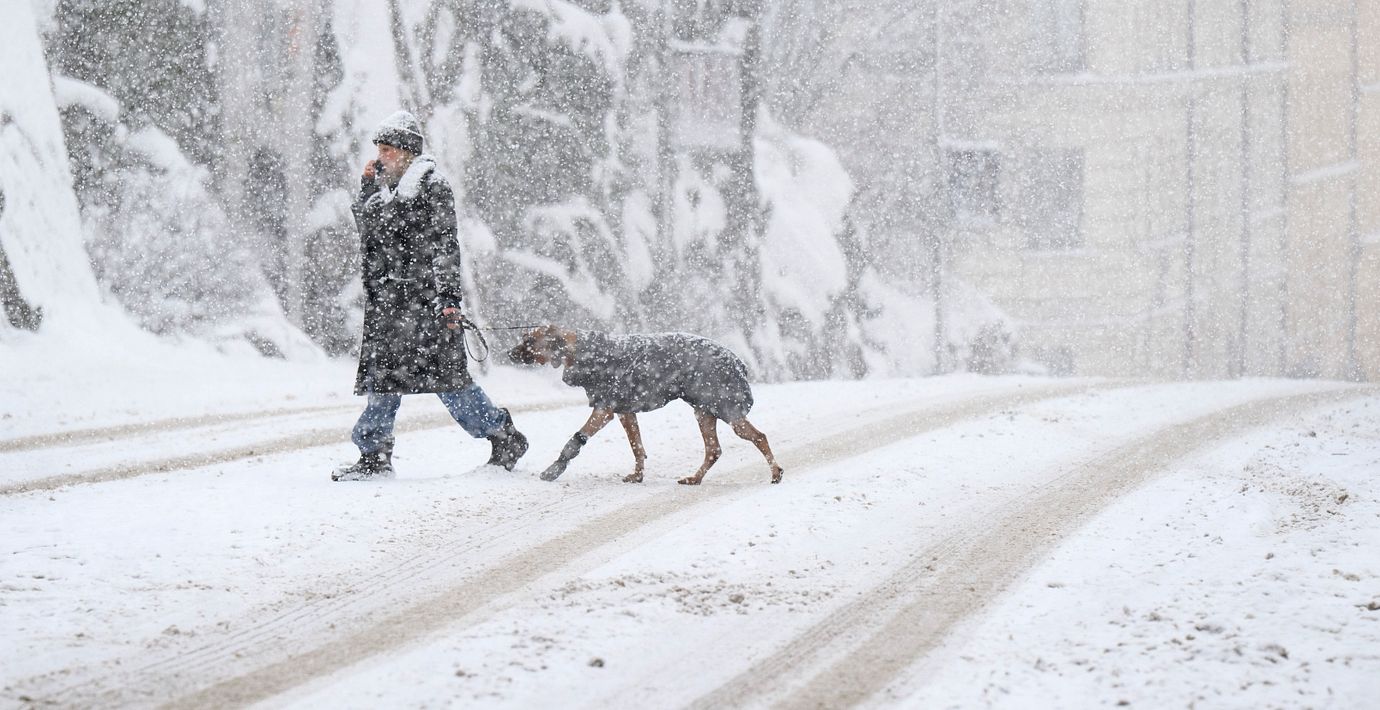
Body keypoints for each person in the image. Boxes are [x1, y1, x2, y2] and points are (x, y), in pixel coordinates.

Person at [333, 111, 527, 481]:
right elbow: (371, 238)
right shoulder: (383, 189)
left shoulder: (432, 185)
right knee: (383, 383)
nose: (379, 156)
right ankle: (374, 455)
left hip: (426, 306)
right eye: (378, 149)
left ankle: (503, 435)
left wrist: (449, 298)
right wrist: (367, 190)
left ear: (406, 151)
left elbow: (444, 245)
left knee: (451, 385)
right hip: (389, 309)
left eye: (386, 149)